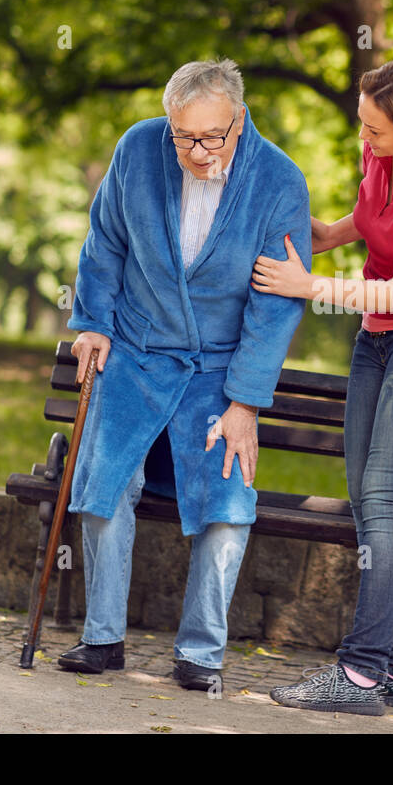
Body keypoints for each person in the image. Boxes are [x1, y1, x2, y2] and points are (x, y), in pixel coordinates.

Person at [59, 58, 311, 694]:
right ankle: (102, 638)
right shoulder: (138, 149)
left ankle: (201, 652)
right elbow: (104, 242)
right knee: (101, 481)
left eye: (212, 137)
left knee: (227, 502)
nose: (198, 152)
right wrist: (93, 322)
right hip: (138, 351)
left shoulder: (279, 180)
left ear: (240, 119)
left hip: (221, 370)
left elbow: (275, 304)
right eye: (184, 138)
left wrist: (246, 403)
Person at [251, 57, 393, 715]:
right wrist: (324, 236)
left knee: (383, 499)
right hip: (377, 340)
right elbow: (371, 218)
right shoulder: (380, 155)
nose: (365, 138)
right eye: (362, 124)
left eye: (376, 131)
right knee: (372, 501)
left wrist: (307, 286)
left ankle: (358, 676)